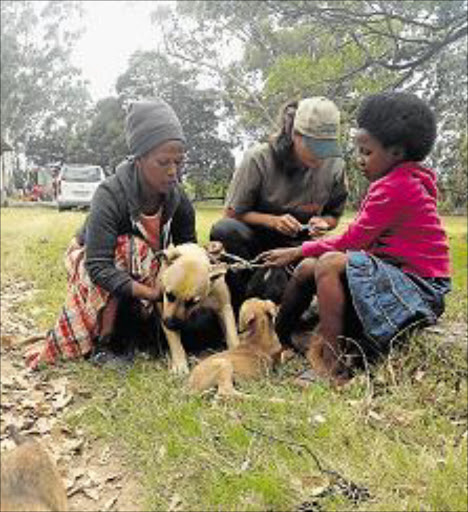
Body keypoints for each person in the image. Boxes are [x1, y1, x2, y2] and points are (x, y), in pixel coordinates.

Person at [258, 92, 451, 386]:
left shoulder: (397, 186)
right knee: (307, 268)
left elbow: (353, 240)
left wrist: (297, 250)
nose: (359, 160)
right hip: (395, 275)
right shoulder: (395, 181)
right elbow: (362, 237)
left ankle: (333, 365)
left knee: (327, 263)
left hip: (418, 288)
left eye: (367, 152)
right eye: (358, 150)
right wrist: (304, 256)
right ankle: (277, 339)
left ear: (397, 152)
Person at [25, 98, 196, 369]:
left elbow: (188, 253)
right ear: (139, 159)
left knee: (148, 257)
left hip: (142, 266)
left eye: (179, 161)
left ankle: (138, 332)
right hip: (93, 259)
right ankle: (106, 342)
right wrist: (153, 294)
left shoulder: (178, 199)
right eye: (163, 162)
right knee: (130, 247)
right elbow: (98, 266)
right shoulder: (110, 193)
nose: (173, 171)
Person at [210, 97, 348, 310]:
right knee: (225, 229)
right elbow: (232, 213)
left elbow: (334, 215)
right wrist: (273, 221)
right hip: (255, 242)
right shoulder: (259, 159)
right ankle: (238, 304)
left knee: (279, 294)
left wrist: (324, 223)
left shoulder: (336, 167)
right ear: (295, 134)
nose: (321, 156)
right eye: (314, 145)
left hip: (298, 246)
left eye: (326, 147)